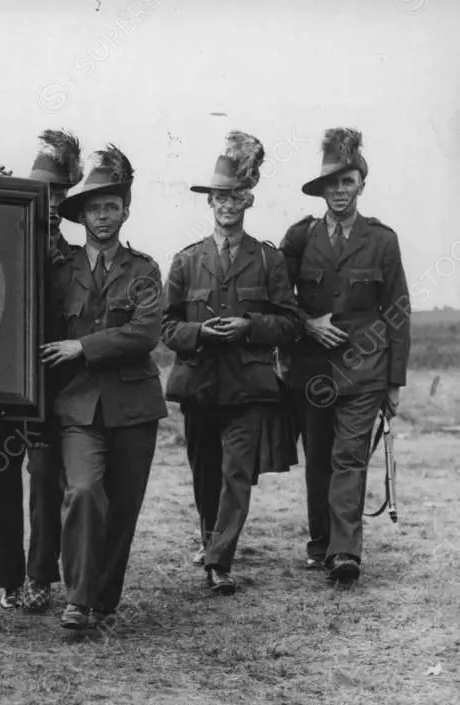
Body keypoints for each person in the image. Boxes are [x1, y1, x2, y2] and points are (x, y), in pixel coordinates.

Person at [161, 131, 302, 595]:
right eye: (220, 196)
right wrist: (198, 333)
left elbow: (290, 322)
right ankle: (210, 539)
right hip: (199, 385)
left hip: (249, 387)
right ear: (210, 202)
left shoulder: (267, 259)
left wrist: (250, 327)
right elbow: (164, 327)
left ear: (249, 200)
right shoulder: (185, 262)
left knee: (237, 473)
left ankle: (220, 561)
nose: (227, 204)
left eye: (236, 197)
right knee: (205, 473)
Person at [41, 143, 168, 630]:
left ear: (125, 211)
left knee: (123, 509)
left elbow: (145, 332)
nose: (103, 217)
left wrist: (81, 347)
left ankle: (103, 601)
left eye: (111, 207)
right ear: (82, 216)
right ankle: (77, 598)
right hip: (76, 407)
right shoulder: (60, 271)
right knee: (85, 492)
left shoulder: (144, 271)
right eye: (94, 208)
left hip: (134, 407)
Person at [278, 127, 410, 583]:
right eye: (331, 183)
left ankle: (344, 553)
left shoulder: (382, 240)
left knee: (349, 457)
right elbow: (279, 300)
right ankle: (320, 544)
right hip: (312, 372)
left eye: (347, 181)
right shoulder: (300, 238)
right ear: (321, 189)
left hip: (366, 371)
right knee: (318, 458)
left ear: (361, 184)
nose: (339, 191)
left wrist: (393, 383)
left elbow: (398, 311)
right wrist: (307, 324)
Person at [0, 129, 82, 612]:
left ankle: (42, 576)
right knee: (1, 479)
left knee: (47, 478)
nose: (49, 199)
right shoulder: (0, 235)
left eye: (60, 192)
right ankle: (8, 579)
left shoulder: (74, 258)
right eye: (42, 188)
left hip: (49, 385)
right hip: (1, 383)